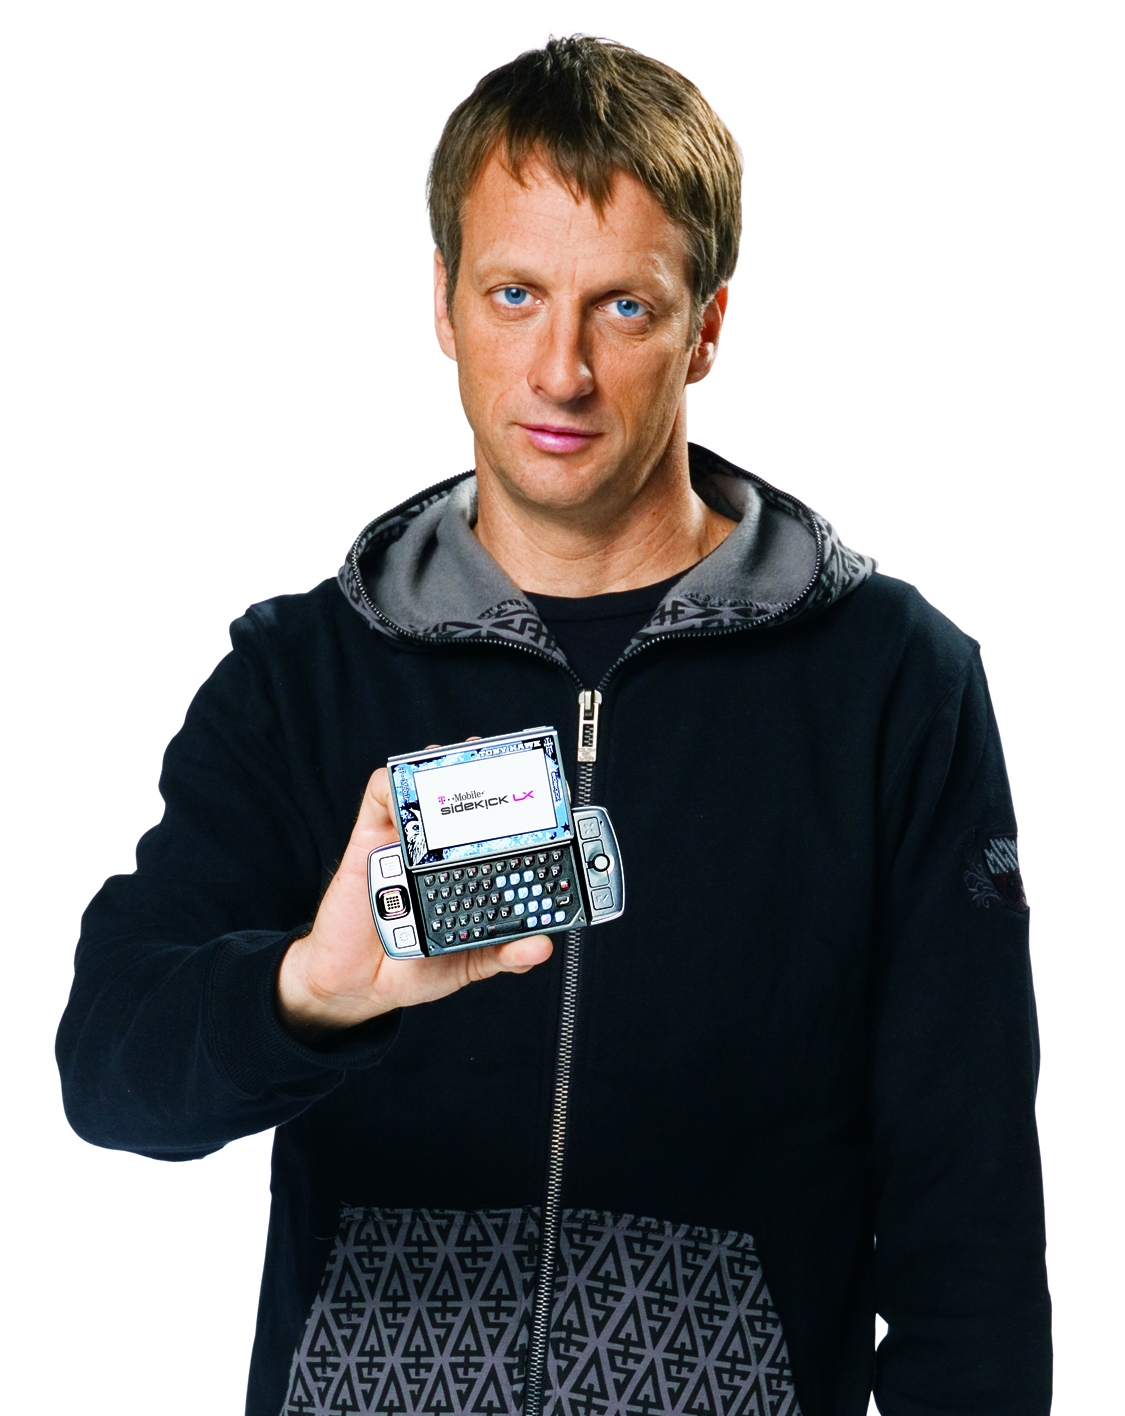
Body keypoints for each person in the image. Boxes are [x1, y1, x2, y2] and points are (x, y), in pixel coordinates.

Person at [57, 36, 1050, 1416]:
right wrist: (311, 993)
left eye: (624, 308)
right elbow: (109, 1072)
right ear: (445, 303)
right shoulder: (302, 675)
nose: (561, 370)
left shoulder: (892, 684)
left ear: (707, 325)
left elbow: (968, 1228)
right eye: (514, 295)